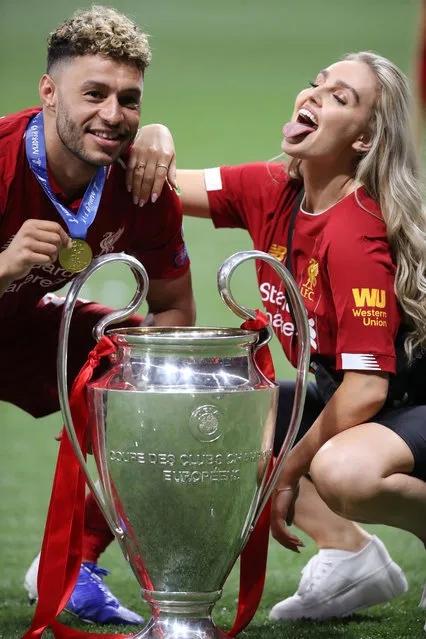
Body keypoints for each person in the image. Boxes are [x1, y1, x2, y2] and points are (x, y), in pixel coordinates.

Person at [125, 51, 426, 627]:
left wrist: (290, 470)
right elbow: (155, 185)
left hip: (406, 399)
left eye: (341, 98)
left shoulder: (355, 231)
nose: (314, 96)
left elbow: (366, 389)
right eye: (317, 84)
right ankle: (349, 556)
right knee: (228, 421)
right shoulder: (275, 189)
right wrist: (153, 135)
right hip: (355, 390)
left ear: (364, 140)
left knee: (343, 472)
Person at [0, 5, 195, 627]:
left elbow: (173, 309)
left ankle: (70, 562)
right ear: (48, 91)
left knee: (140, 357)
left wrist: (147, 404)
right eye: (93, 93)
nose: (113, 115)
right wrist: (3, 267)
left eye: (129, 99)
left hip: (25, 330)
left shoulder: (141, 180)